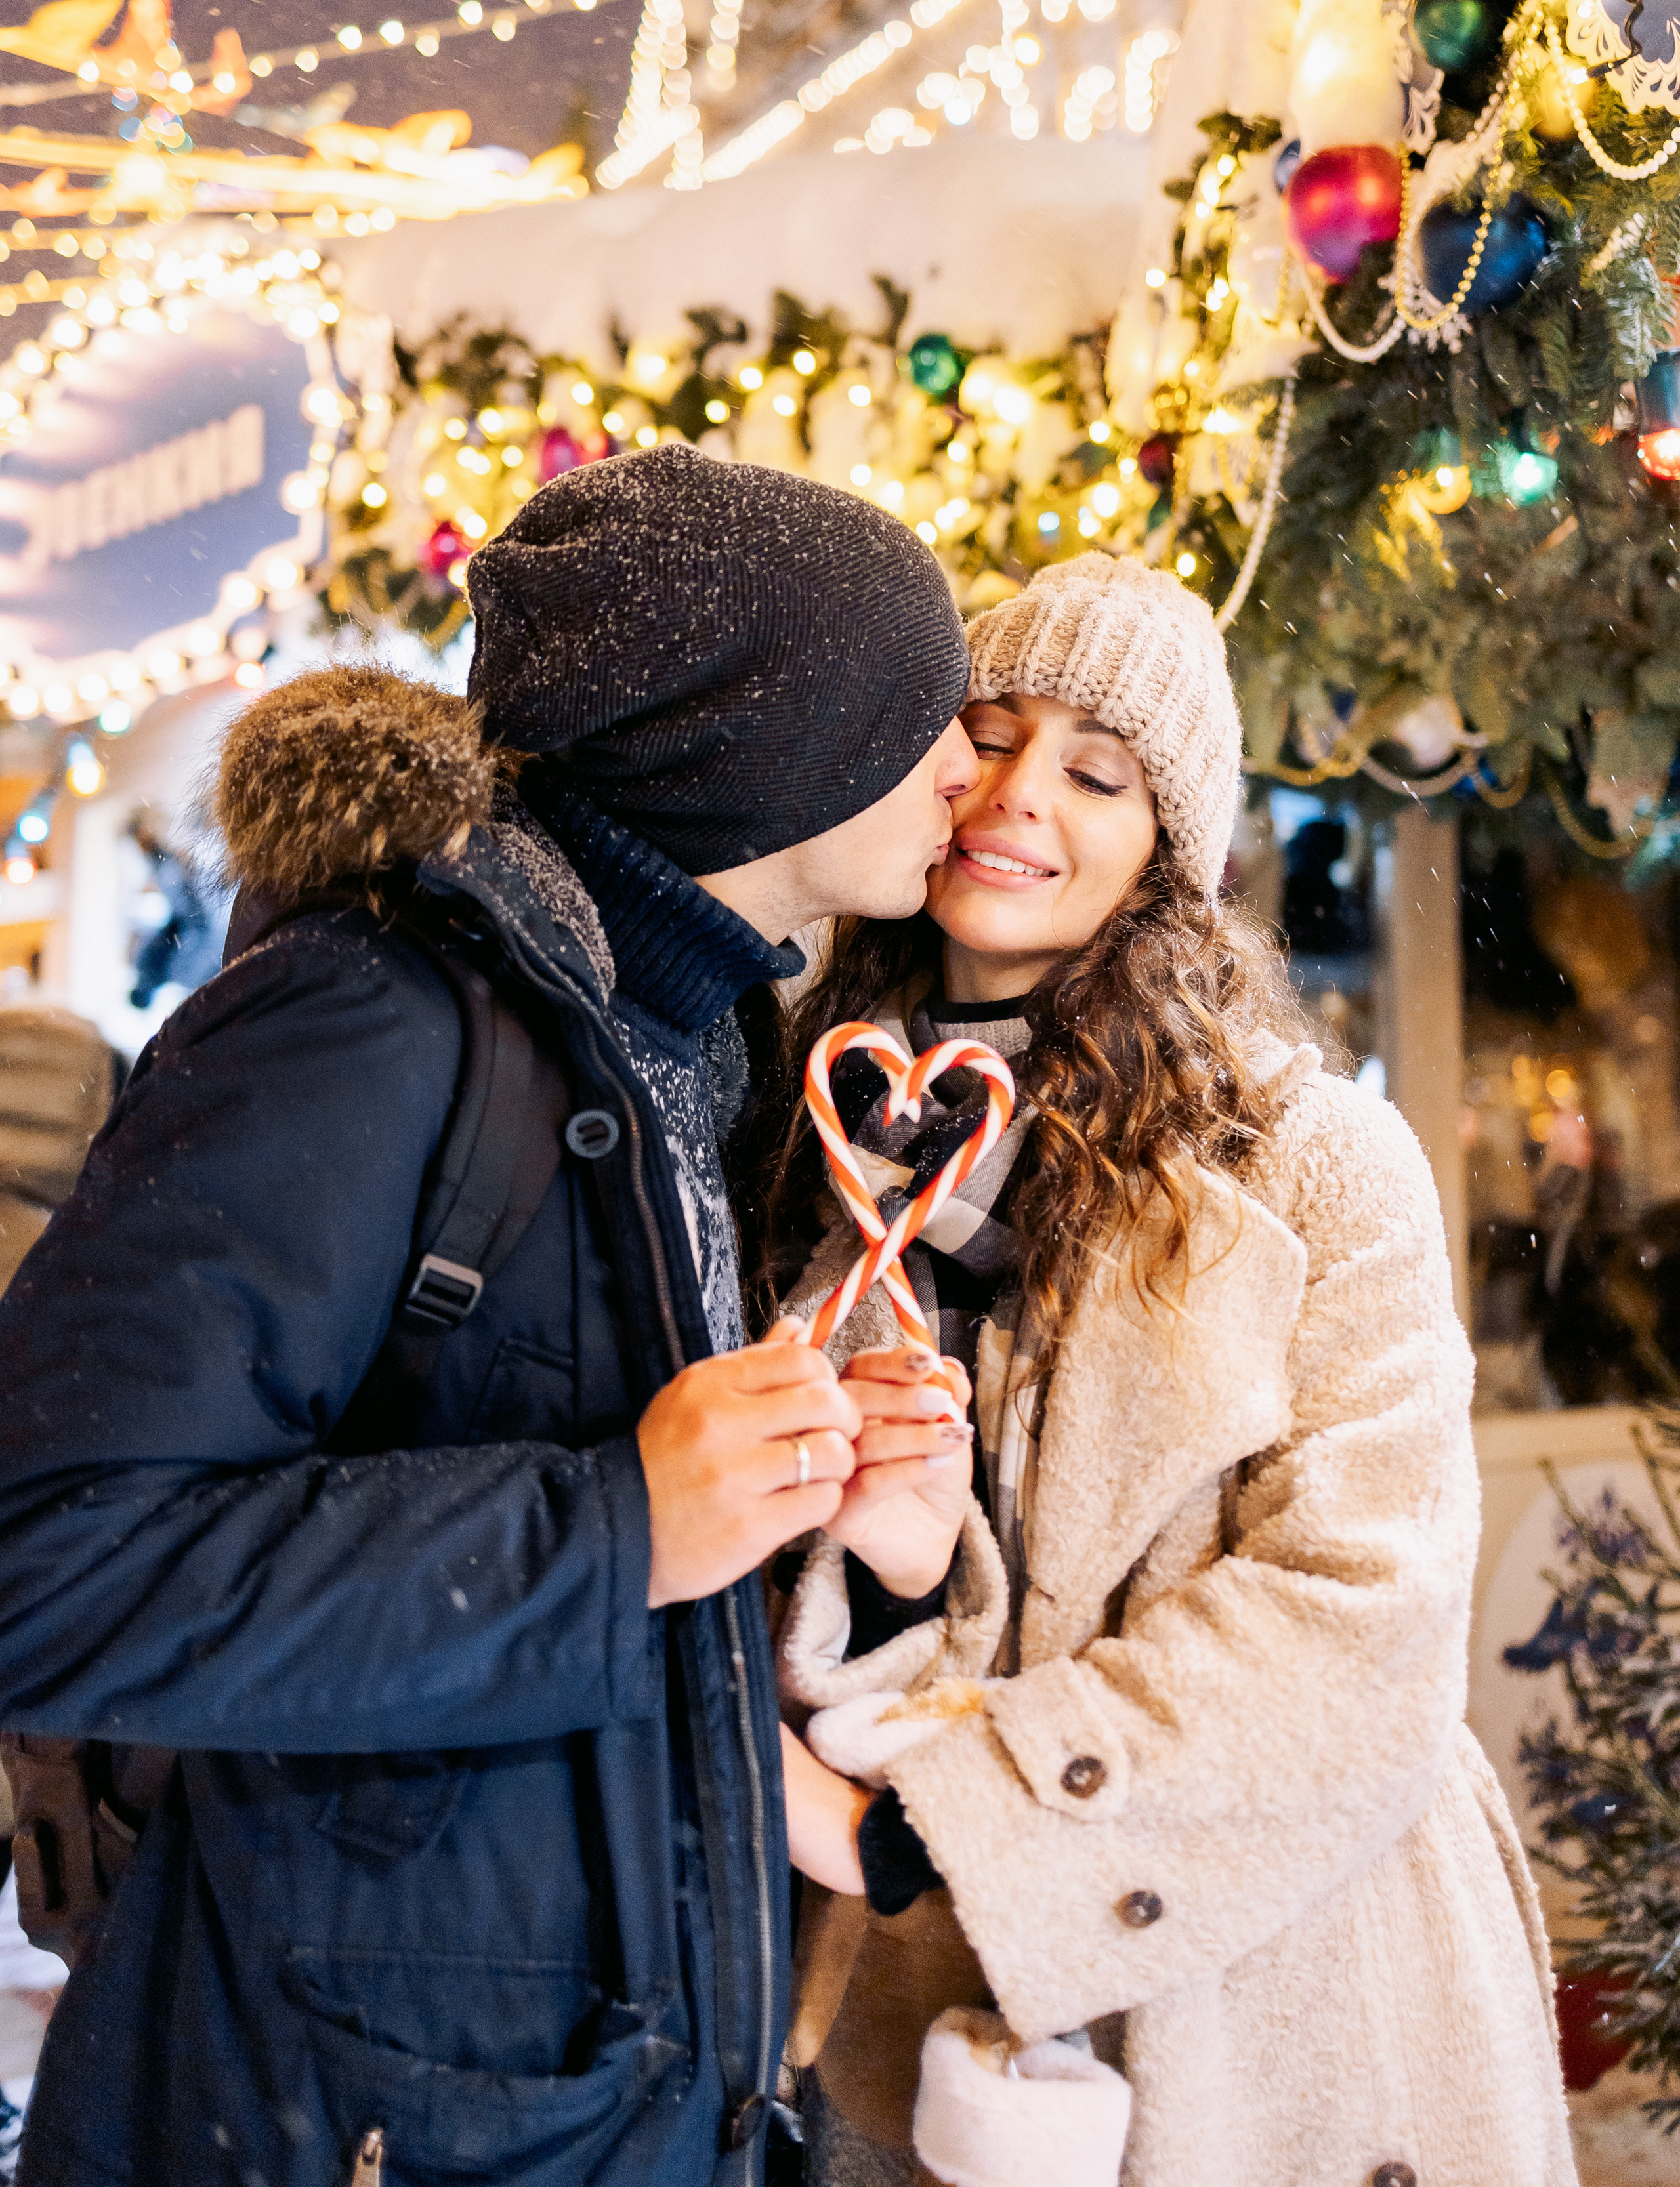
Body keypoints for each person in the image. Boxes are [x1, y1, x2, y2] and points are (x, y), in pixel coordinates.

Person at [0, 447, 981, 2187]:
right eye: (921, 715)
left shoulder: (700, 1046)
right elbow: (48, 1567)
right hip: (340, 2111)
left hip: (605, 2094)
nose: (971, 768)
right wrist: (621, 1522)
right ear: (764, 742)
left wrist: (821, 1512)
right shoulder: (370, 1018)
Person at [753, 554, 1576, 2187]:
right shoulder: (806, 1131)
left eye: (1095, 772)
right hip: (904, 2012)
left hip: (1273, 1991)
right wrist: (889, 1573)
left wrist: (925, 1827)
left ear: (1162, 857)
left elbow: (1360, 1616)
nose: (1014, 798)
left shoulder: (1310, 1164)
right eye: (983, 735)